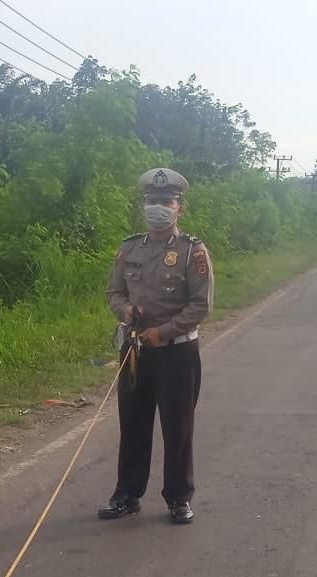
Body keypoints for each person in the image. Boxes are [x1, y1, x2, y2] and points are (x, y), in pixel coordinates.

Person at [99, 168, 214, 524]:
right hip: (135, 351)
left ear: (179, 208)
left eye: (166, 202)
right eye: (152, 201)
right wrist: (125, 309)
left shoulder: (192, 252)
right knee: (132, 425)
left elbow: (201, 305)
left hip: (177, 353)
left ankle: (179, 498)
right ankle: (128, 494)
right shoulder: (129, 248)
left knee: (177, 427)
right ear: (142, 205)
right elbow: (114, 292)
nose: (158, 208)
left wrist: (163, 332)